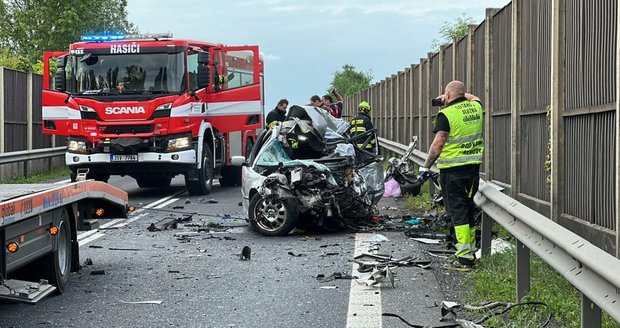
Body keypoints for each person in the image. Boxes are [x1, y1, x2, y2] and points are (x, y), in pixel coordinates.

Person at [419, 80, 484, 271]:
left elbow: (437, 145)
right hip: (473, 171)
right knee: (468, 209)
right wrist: (458, 93)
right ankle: (470, 251)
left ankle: (464, 258)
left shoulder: (445, 114)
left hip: (452, 172)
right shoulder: (476, 108)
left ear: (447, 96)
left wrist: (425, 167)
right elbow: (474, 98)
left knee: (458, 213)